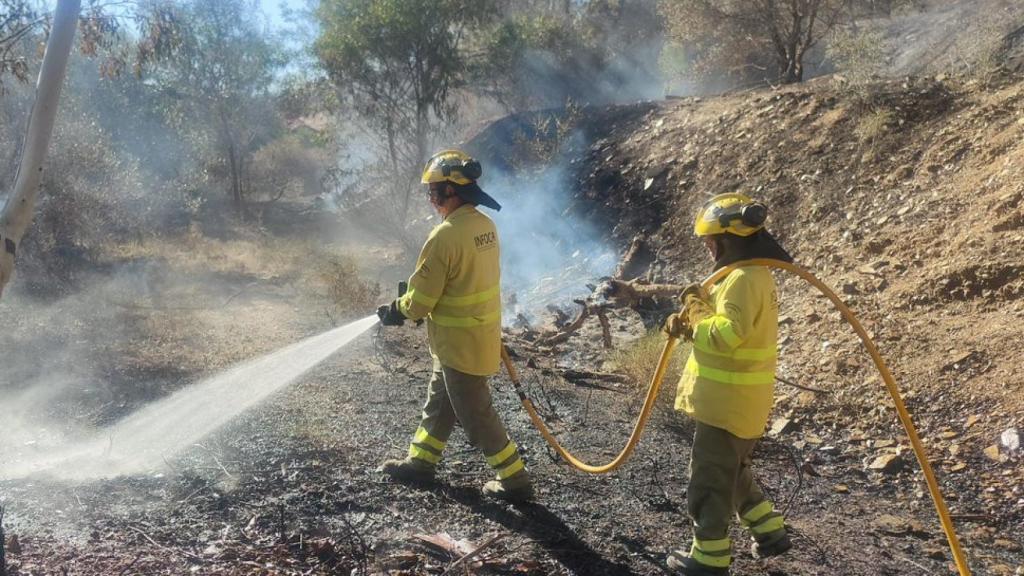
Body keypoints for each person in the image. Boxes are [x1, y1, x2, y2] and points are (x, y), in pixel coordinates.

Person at [376, 149, 534, 503]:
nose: (431, 199)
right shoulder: (485, 227)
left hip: (459, 345)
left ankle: (515, 480)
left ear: (452, 191)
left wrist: (397, 310)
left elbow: (421, 301)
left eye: (434, 191)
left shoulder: (444, 236)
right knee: (439, 402)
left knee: (477, 417)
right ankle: (420, 462)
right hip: (473, 339)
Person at [663, 193, 794, 575]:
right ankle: (770, 531)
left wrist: (696, 309)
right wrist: (689, 323)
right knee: (732, 473)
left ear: (728, 240)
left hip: (726, 404)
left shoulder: (741, 278)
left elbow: (725, 334)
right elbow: (725, 328)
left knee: (707, 480)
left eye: (710, 242)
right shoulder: (752, 275)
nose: (708, 249)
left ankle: (709, 559)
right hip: (741, 403)